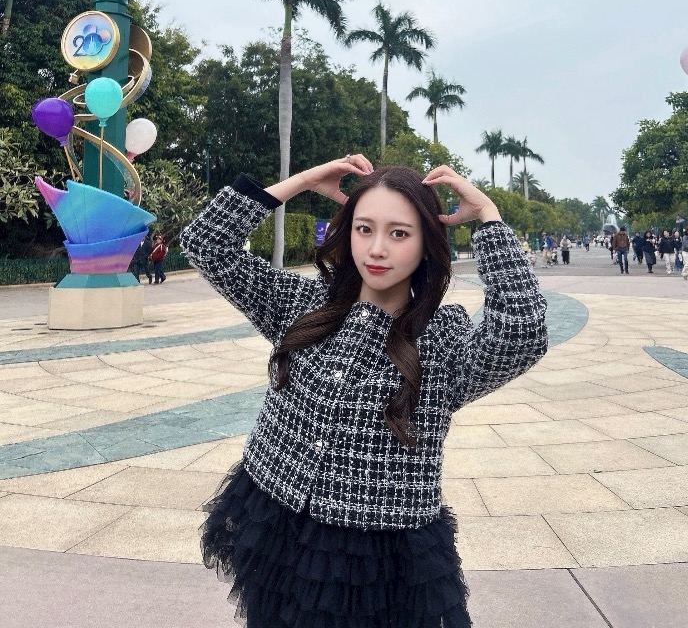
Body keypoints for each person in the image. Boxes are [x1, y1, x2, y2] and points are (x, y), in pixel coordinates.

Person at [181, 156, 547, 628]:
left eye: (399, 233)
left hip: (374, 556)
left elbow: (523, 333)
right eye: (364, 229)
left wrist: (489, 219)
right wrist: (303, 181)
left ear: (426, 244)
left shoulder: (441, 341)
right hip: (274, 517)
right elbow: (207, 244)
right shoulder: (303, 304)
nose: (377, 249)